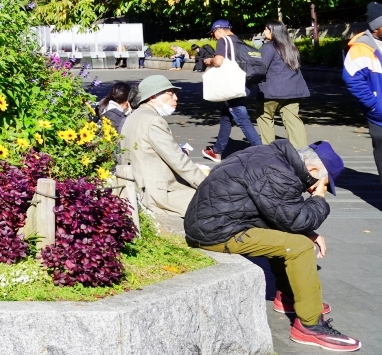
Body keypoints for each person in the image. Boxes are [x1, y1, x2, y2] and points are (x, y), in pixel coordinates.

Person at [184, 141, 358, 351]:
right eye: (324, 184)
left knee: (290, 235)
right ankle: (309, 325)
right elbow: (296, 221)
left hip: (214, 221)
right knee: (300, 247)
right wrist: (319, 200)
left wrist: (307, 230)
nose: (318, 189)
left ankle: (289, 296)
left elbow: (279, 214)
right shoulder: (279, 174)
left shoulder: (273, 157)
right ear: (312, 170)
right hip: (216, 232)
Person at [120, 74, 210, 216]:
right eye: (170, 94)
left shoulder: (132, 116)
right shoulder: (153, 121)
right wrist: (208, 185)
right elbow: (178, 161)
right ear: (152, 97)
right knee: (218, 202)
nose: (175, 98)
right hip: (158, 195)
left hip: (138, 187)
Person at [202, 20, 263, 162]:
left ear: (218, 30)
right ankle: (217, 151)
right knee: (226, 117)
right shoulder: (238, 41)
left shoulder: (223, 40)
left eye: (212, 34)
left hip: (232, 85)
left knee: (241, 117)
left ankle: (261, 152)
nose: (213, 37)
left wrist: (209, 61)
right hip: (244, 83)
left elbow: (218, 61)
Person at [343, 1, 382, 184]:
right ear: (377, 28)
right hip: (379, 116)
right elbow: (352, 79)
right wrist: (374, 105)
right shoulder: (360, 49)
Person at [254, 21, 310, 149]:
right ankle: (301, 151)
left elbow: (261, 68)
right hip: (294, 90)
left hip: (273, 91)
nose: (264, 31)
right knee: (293, 120)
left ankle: (269, 151)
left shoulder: (268, 47)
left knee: (264, 115)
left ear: (273, 31)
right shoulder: (291, 47)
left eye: (266, 29)